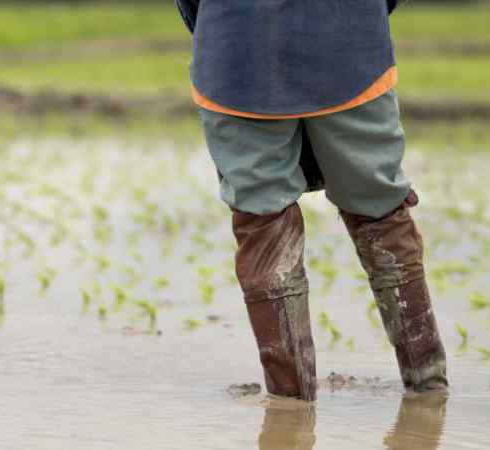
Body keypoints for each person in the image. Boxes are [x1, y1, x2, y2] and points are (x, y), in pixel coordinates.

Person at [175, 0, 448, 401]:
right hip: (347, 43)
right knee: (379, 207)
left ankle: (290, 408)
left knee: (262, 218)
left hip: (237, 50)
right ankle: (428, 390)